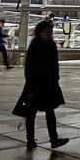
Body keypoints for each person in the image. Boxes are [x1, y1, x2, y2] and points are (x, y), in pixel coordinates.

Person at [12, 20, 68, 149]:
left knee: (48, 112)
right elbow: (29, 68)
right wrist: (30, 86)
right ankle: (32, 139)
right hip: (36, 84)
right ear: (40, 32)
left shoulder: (50, 45)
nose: (49, 33)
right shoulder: (36, 46)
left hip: (48, 84)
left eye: (50, 31)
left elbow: (54, 65)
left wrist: (55, 78)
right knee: (32, 113)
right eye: (47, 31)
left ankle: (53, 139)